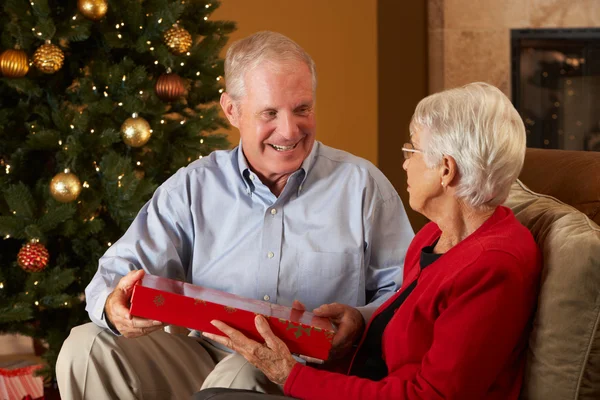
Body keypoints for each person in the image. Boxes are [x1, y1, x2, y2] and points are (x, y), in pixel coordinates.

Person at [55, 31, 414, 400]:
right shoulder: (192, 187)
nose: (290, 130)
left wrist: (362, 319)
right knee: (87, 346)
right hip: (202, 359)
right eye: (270, 113)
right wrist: (113, 307)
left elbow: (408, 292)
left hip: (305, 371)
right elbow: (116, 273)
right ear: (232, 110)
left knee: (241, 375)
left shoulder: (361, 185)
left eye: (302, 109)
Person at [193, 82, 542, 400]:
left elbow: (430, 396)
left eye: (412, 150)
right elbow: (411, 332)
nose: (404, 164)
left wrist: (292, 376)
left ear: (445, 170)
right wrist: (358, 324)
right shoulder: (435, 236)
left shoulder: (494, 264)